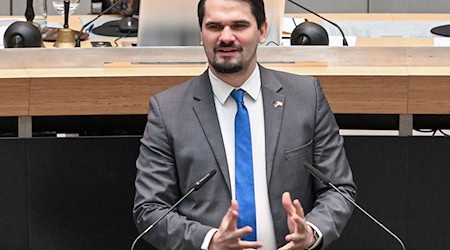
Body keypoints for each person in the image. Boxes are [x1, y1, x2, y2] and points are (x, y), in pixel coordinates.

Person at [133, 0, 357, 249]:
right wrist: (210, 242)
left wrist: (312, 232)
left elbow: (338, 189)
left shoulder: (305, 97)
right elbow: (150, 209)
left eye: (239, 25)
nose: (226, 37)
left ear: (262, 31)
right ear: (201, 34)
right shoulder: (168, 111)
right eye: (214, 26)